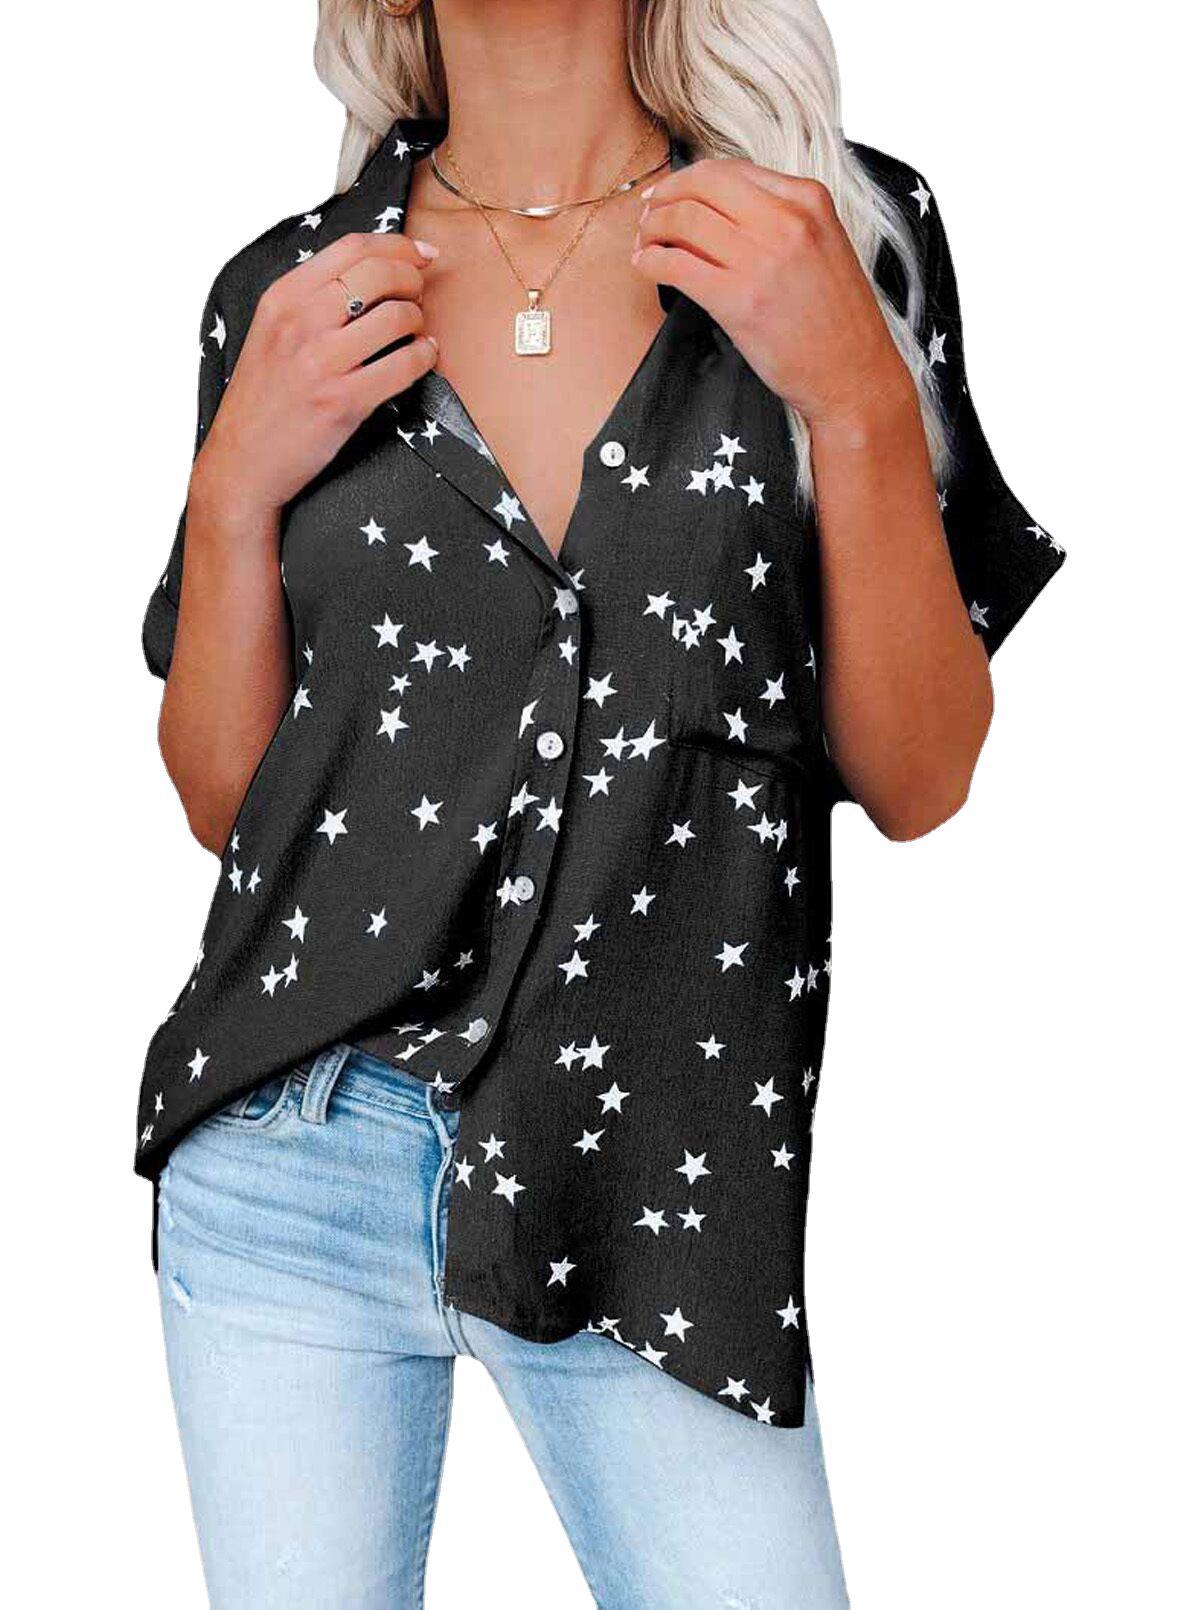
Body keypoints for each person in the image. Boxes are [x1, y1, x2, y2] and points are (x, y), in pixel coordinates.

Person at [135, 1, 1065, 1604]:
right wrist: (231, 493)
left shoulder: (837, 233)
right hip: (289, 1156)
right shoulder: (286, 292)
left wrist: (852, 393)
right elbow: (233, 804)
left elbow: (919, 776)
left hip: (652, 1180)